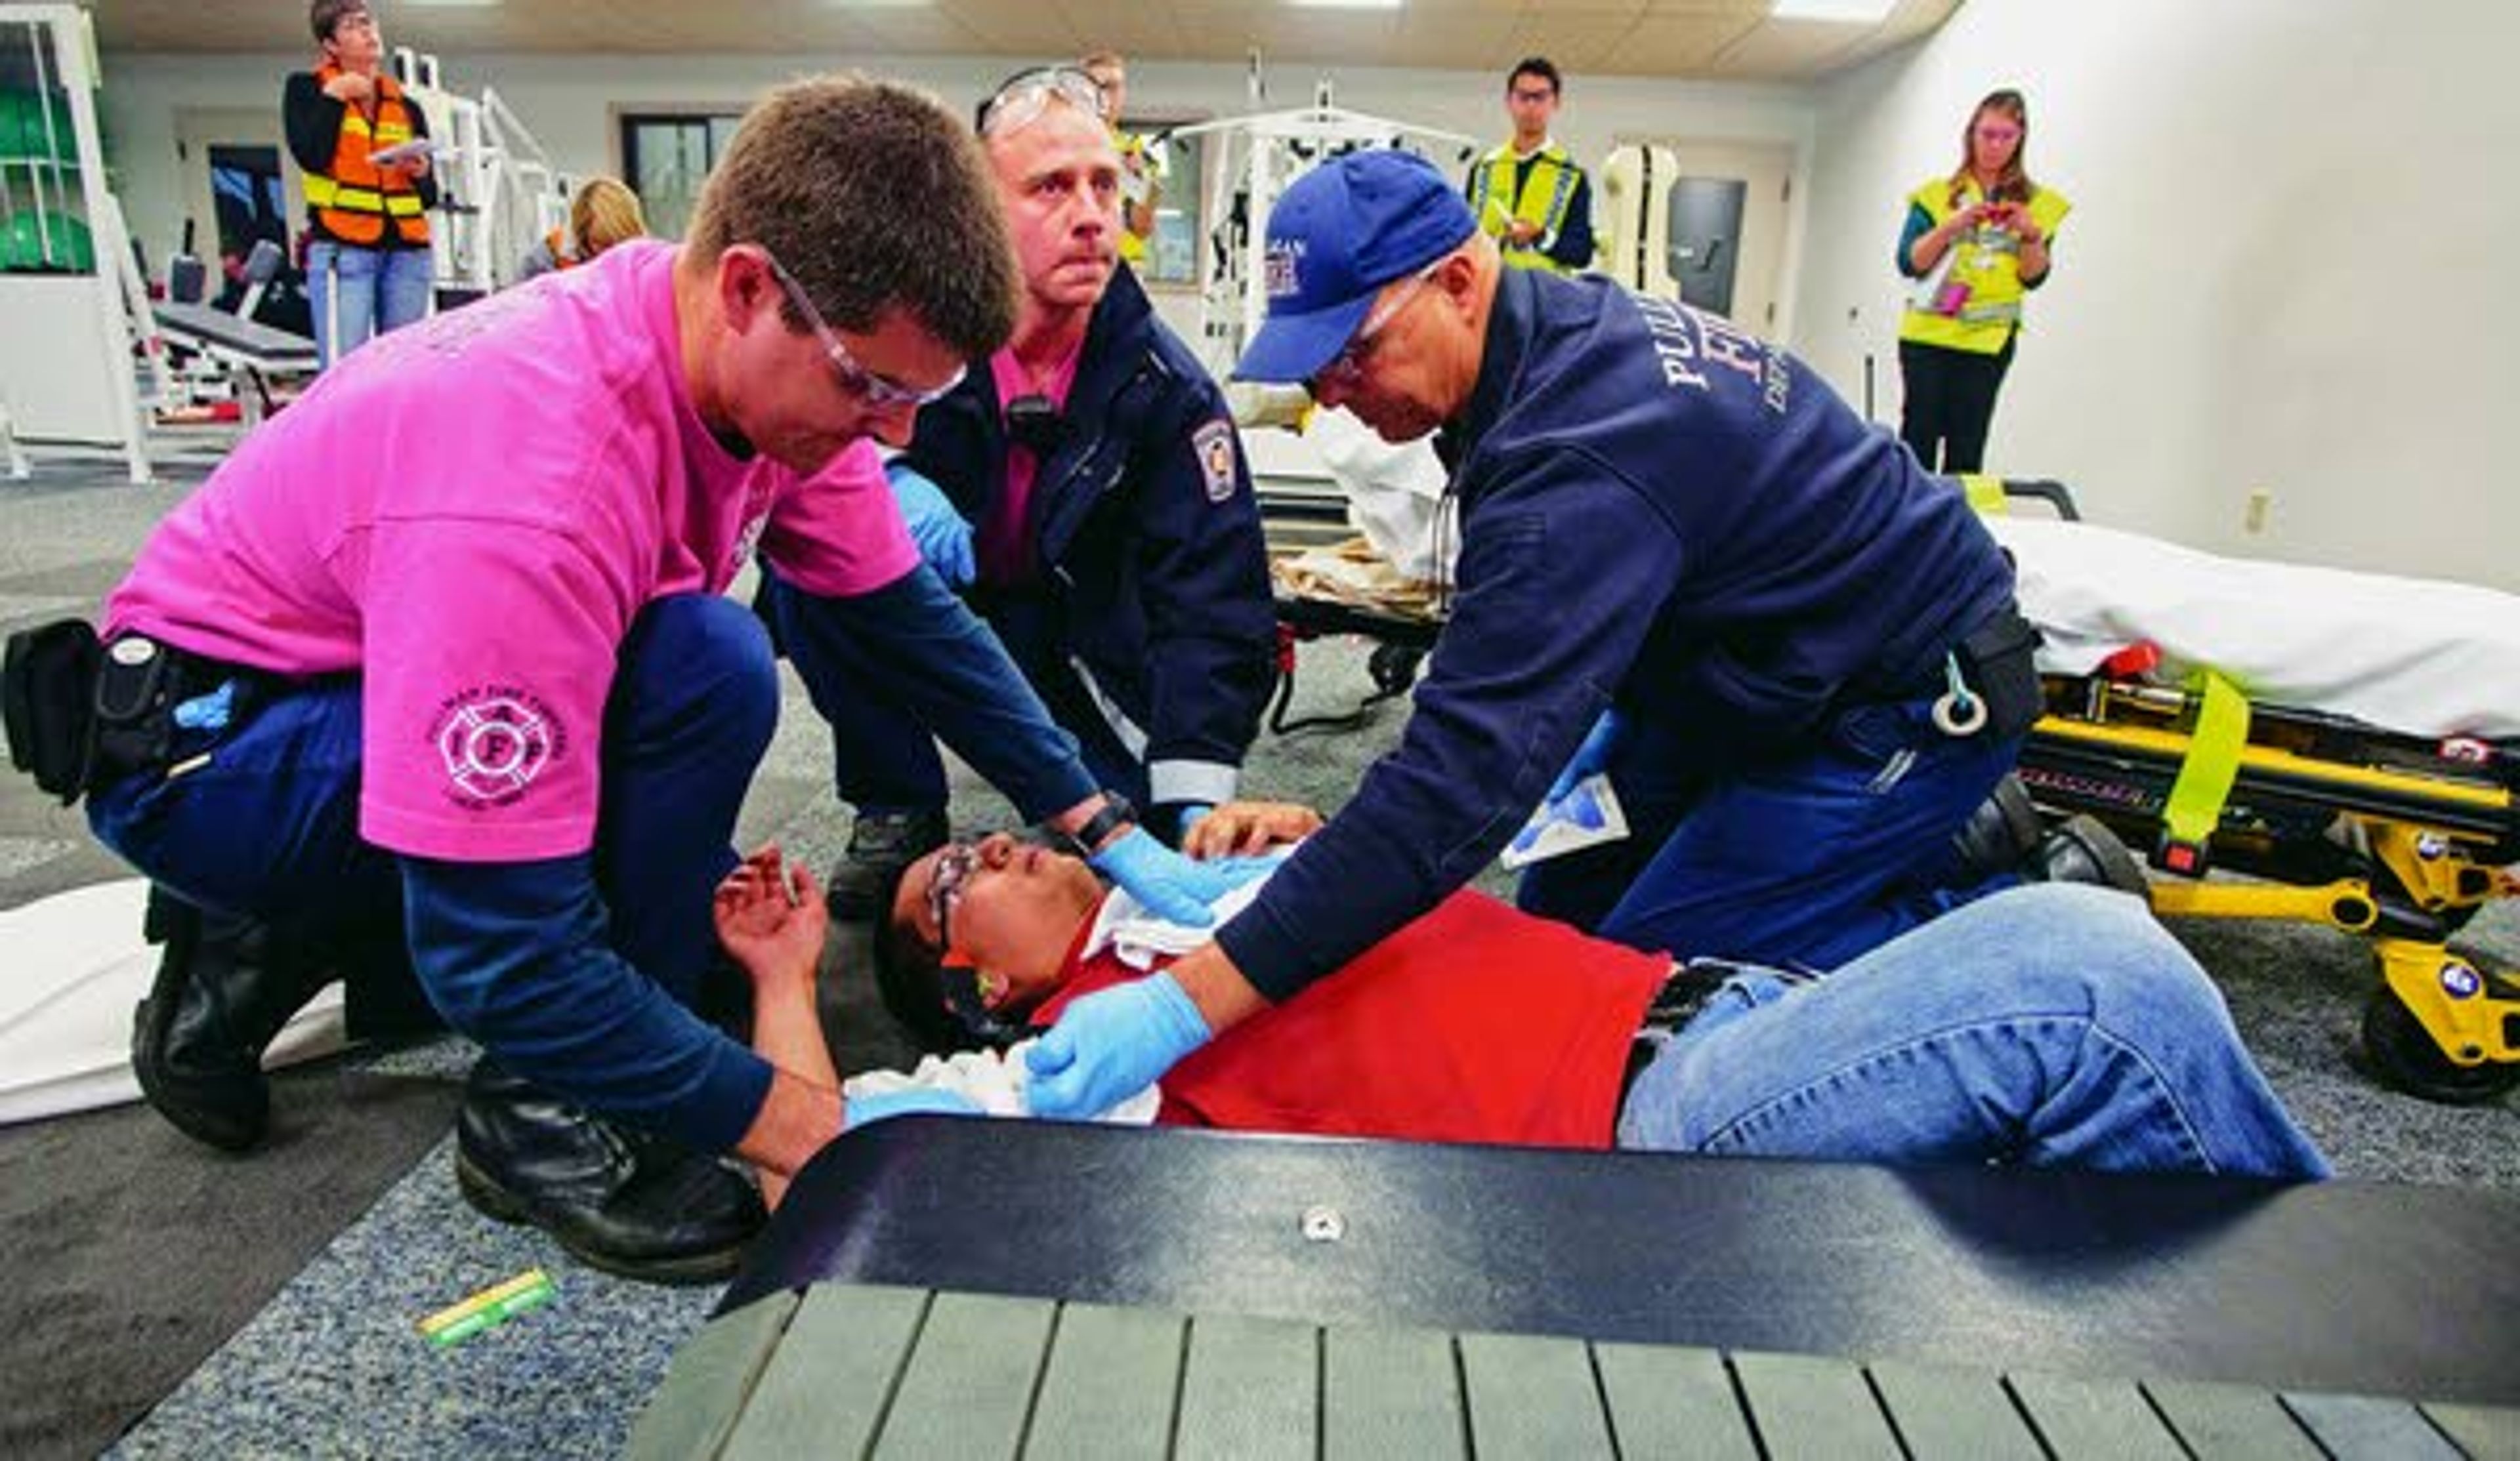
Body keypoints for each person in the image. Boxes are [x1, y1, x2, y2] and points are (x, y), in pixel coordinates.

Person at [33, 75, 1244, 1284]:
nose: (891, 436)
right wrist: (826, 1135)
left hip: (340, 683)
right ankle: (531, 1114)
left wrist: (1106, 824)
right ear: (751, 289)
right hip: (208, 757)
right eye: (872, 388)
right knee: (699, 677)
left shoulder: (738, 343)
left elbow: (910, 624)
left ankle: (281, 933)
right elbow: (502, 954)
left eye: (916, 399)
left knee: (690, 694)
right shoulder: (535, 491)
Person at [1012, 148, 2067, 1122]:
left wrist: (1186, 1006)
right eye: (1315, 367)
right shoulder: (1544, 334)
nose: (1333, 394)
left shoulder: (1579, 453)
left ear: (1459, 284)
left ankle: (1986, 901)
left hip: (1904, 700)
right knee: (1556, 916)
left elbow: (1449, 791)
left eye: (1354, 353)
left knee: (1658, 989)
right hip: (1770, 662)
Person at [722, 806, 2328, 1187]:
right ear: (974, 982)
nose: (983, 846)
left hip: (1715, 1003)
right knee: (2087, 978)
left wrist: (1298, 836)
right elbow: (808, 1150)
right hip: (1645, 1116)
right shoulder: (1080, 1058)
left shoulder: (1189, 903)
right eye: (955, 880)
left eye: (986, 832)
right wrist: (784, 975)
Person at [772, 64, 1274, 916]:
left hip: (1074, 633)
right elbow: (809, 444)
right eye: (1050, 188)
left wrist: (1198, 791)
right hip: (937, 586)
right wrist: (889, 475)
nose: (1090, 216)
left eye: (1104, 185)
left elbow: (1216, 598)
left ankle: (1134, 789)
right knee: (814, 564)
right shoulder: (916, 332)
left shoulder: (1167, 388)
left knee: (1134, 831)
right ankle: (896, 798)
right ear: (979, 208)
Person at [1895, 88, 2069, 474]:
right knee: (1918, 439)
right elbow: (1910, 262)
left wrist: (2030, 234)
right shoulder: (1936, 195)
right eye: (1987, 134)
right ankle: (1909, 527)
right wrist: (1951, 226)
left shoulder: (2039, 204)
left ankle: (1957, 531)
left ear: (2021, 138)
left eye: (2006, 136)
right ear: (1971, 133)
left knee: (1968, 446)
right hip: (1928, 337)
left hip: (1988, 342)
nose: (1995, 145)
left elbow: (2034, 276)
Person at [284, 0, 437, 369]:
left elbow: (429, 196)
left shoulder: (405, 106)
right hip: (344, 249)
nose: (368, 32)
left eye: (369, 23)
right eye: (353, 26)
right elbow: (312, 156)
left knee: (405, 371)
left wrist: (420, 172)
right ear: (331, 45)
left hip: (406, 253)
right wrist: (335, 97)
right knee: (344, 371)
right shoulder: (308, 90)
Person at [1464, 58, 1595, 275]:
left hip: (1545, 300)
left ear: (1555, 103)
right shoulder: (1483, 170)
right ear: (1509, 101)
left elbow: (1582, 253)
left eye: (1540, 97)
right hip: (1489, 296)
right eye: (1523, 97)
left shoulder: (1572, 176)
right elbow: (1464, 236)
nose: (1531, 106)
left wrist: (1539, 236)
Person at [1078, 51, 1160, 272]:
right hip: (1078, 262)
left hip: (1125, 266)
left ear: (1123, 94)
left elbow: (1142, 229)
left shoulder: (1136, 152)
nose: (1106, 95)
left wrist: (1144, 184)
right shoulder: (1062, 146)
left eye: (1114, 87)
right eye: (1098, 86)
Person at [518, 175, 648, 280]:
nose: (610, 255)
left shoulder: (645, 263)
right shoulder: (543, 264)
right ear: (582, 235)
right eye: (602, 244)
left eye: (618, 245)